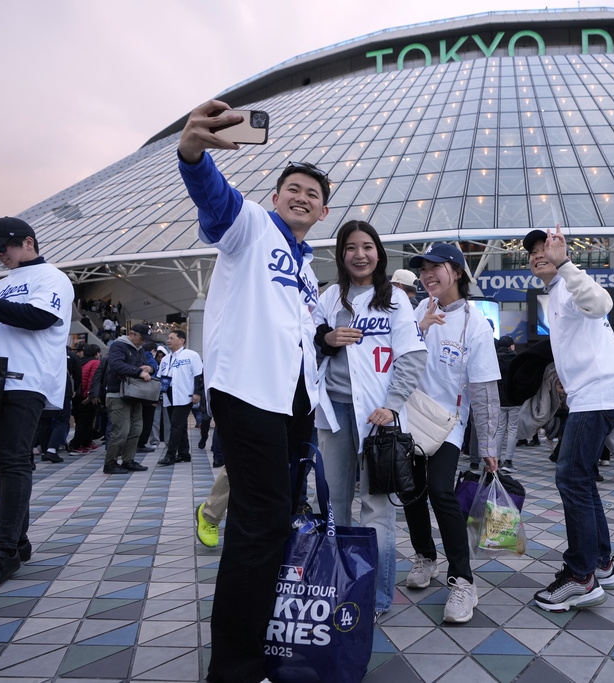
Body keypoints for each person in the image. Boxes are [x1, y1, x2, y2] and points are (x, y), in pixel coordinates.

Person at [178, 100, 327, 683]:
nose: (302, 197)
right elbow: (212, 195)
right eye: (293, 188)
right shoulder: (250, 228)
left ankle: (254, 646)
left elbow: (296, 330)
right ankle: (235, 668)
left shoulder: (308, 266)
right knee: (258, 523)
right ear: (276, 196)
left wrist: (327, 340)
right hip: (247, 392)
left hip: (293, 403)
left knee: (274, 519)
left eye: (313, 194)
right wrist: (193, 152)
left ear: (322, 209)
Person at [523, 226, 614, 611]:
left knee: (571, 477)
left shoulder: (570, 287)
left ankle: (581, 577)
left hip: (599, 392)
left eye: (545, 247)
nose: (538, 254)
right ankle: (601, 564)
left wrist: (567, 263)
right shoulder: (554, 294)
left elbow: (602, 304)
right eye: (533, 251)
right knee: (582, 479)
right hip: (590, 393)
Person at [314, 220, 426, 619]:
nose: (359, 255)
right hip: (335, 415)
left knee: (377, 510)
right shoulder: (328, 298)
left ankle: (376, 597)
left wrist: (392, 405)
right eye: (350, 247)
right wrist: (326, 340)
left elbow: (412, 358)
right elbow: (308, 346)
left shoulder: (395, 299)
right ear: (341, 254)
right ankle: (336, 586)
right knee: (334, 504)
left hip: (380, 419)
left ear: (379, 253)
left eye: (367, 247)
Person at [403, 242, 501, 623]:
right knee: (410, 491)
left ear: (457, 272)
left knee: (441, 491)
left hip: (447, 425)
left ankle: (463, 581)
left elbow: (484, 389)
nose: (428, 275)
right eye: (423, 269)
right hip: (408, 419)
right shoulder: (416, 310)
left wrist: (489, 443)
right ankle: (425, 556)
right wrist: (418, 325)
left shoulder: (474, 323)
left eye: (436, 268)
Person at [0, 217, 74, 592]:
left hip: (26, 380)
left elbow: (38, 318)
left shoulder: (51, 278)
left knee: (14, 461)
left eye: (4, 246)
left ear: (28, 242)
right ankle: (17, 541)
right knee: (1, 462)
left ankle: (4, 552)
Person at [102, 323, 154, 474]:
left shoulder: (139, 349)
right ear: (132, 334)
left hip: (134, 395)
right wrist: (138, 372)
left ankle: (128, 460)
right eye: (142, 338)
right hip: (118, 394)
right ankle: (110, 463)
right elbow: (116, 364)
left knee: (136, 429)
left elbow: (148, 365)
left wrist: (149, 368)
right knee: (121, 431)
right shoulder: (119, 346)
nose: (143, 342)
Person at [156, 329, 203, 466]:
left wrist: (197, 392)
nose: (168, 340)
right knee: (180, 426)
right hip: (169, 395)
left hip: (184, 395)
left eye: (171, 338)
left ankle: (170, 455)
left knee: (175, 426)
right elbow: (160, 377)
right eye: (168, 338)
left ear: (181, 340)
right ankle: (184, 453)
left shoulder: (191, 355)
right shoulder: (165, 358)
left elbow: (198, 376)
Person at [495, 335, 520, 472]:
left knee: (499, 430)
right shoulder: (516, 359)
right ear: (511, 345)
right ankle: (508, 461)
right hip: (514, 398)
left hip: (499, 398)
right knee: (512, 429)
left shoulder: (494, 358)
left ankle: (497, 459)